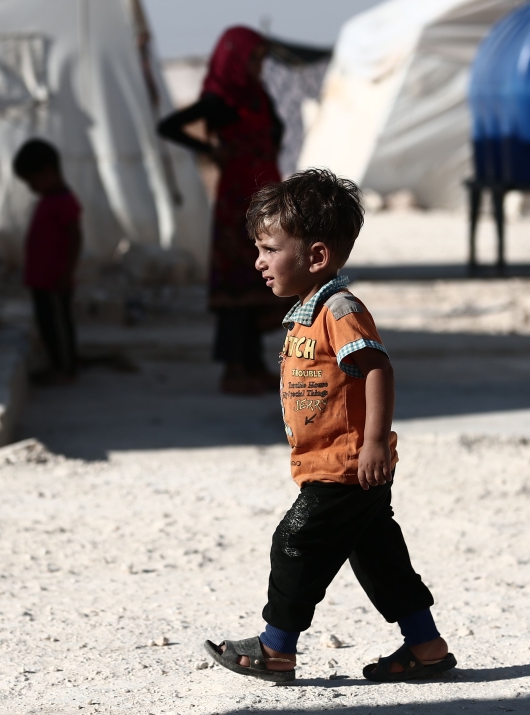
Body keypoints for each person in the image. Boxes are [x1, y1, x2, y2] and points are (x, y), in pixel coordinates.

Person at [203, 169, 456, 683]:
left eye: (270, 249)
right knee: (378, 557)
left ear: (316, 257)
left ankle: (276, 649)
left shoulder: (339, 310)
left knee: (295, 541)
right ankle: (425, 645)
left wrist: (374, 443)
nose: (259, 261)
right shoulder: (306, 312)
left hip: (344, 465)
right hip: (333, 464)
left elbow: (377, 368)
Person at [157, 26, 288, 394]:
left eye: (261, 59)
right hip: (238, 204)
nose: (259, 66)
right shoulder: (221, 99)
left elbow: (277, 132)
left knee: (263, 278)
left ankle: (253, 363)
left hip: (265, 199)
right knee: (238, 283)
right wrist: (211, 151)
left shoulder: (257, 95)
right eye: (254, 58)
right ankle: (235, 367)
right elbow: (168, 126)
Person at [13, 139, 82, 385]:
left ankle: (66, 368)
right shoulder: (49, 200)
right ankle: (57, 363)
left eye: (32, 181)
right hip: (42, 280)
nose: (32, 188)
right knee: (47, 326)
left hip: (55, 280)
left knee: (59, 326)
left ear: (47, 172)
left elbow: (75, 239)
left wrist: (66, 273)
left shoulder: (64, 202)